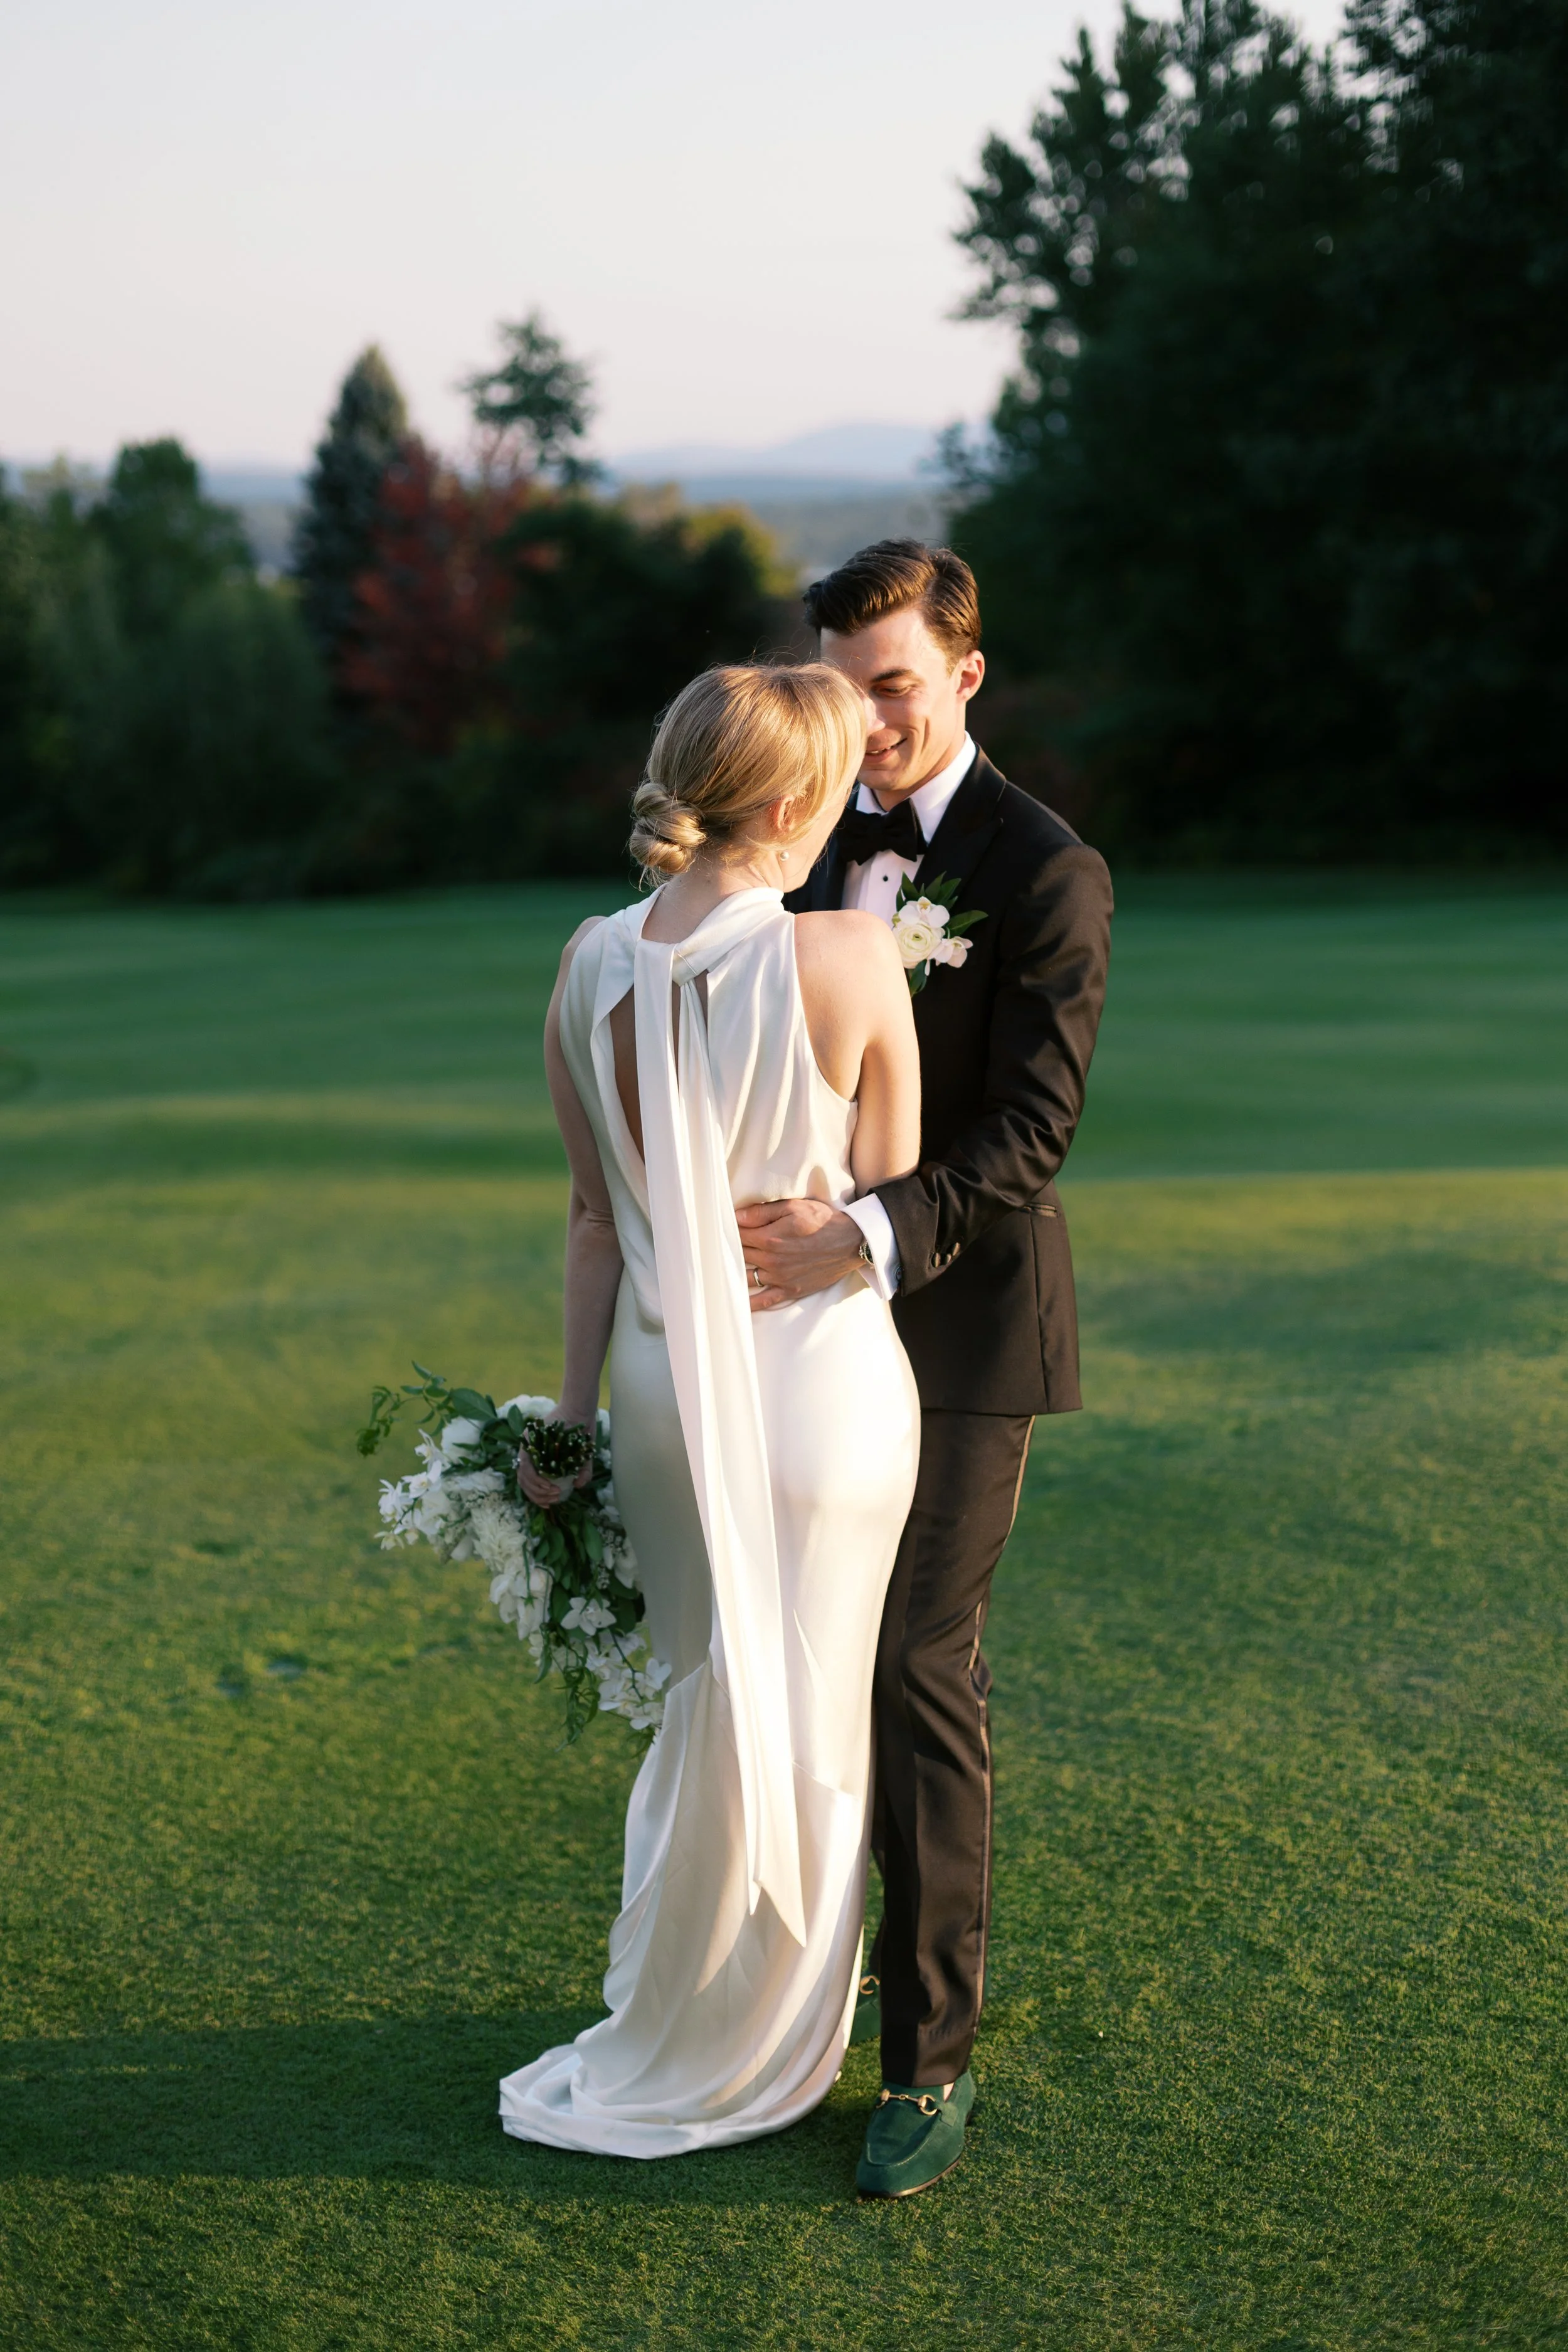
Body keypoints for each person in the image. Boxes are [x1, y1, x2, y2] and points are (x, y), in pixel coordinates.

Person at [498, 662, 924, 2161]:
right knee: (811, 1702)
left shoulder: (584, 960)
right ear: (800, 802)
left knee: (707, 1698)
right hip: (817, 1383)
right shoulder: (850, 959)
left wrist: (563, 1423)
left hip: (658, 1394)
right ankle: (765, 2039)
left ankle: (685, 2016)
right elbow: (886, 1169)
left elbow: (589, 1225)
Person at [741, 541, 1113, 2198]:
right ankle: (784, 1991)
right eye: (842, 684)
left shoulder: (1045, 869)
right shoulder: (802, 842)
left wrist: (867, 1236)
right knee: (801, 1650)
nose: (866, 717)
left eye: (891, 682)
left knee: (910, 1652)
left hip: (960, 1321)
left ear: (962, 674)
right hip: (804, 1334)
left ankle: (926, 2049)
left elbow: (1029, 1133)